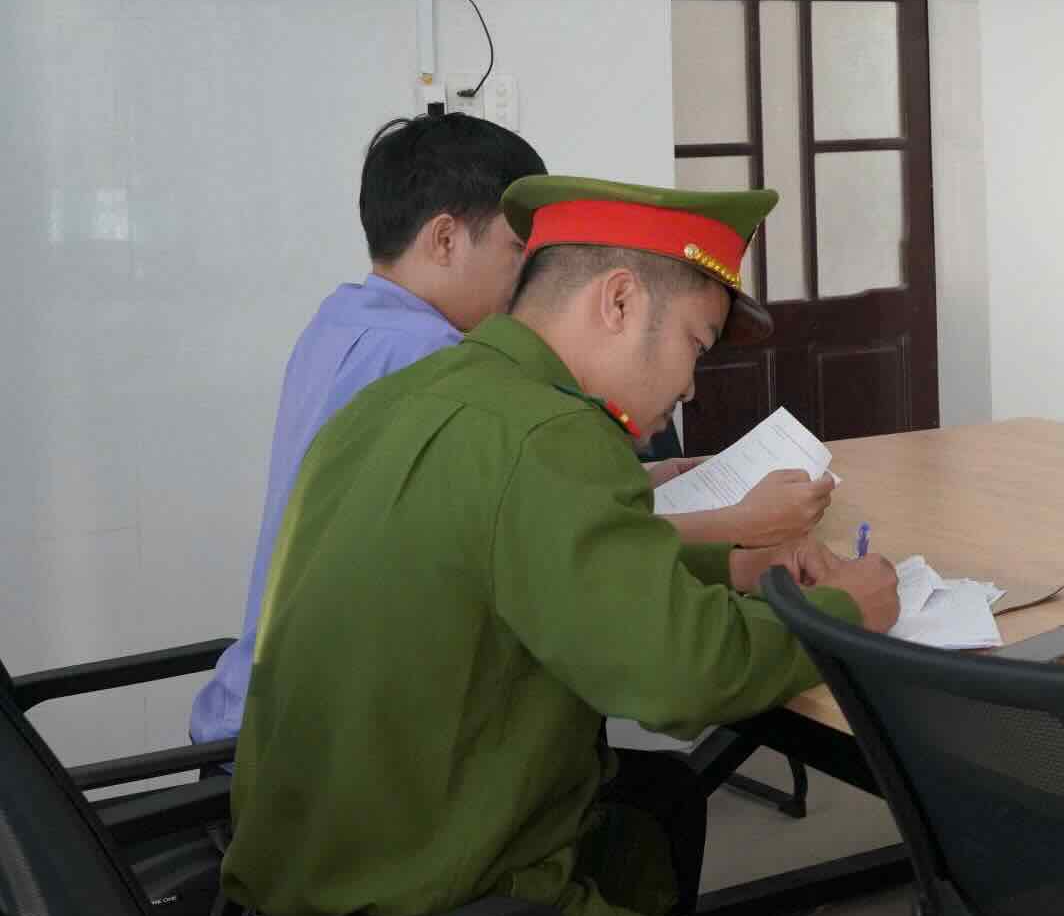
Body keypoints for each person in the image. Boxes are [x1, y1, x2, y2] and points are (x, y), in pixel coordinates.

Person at [222, 176, 901, 916]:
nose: (692, 385)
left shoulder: (406, 398)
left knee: (647, 830)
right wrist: (849, 613)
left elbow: (507, 559)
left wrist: (729, 568)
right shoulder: (552, 433)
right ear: (618, 301)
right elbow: (684, 677)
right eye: (695, 342)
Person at [190, 118, 830, 748]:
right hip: (327, 738)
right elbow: (674, 671)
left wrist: (657, 497)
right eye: (518, 253)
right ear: (444, 240)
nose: (531, 281)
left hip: (291, 711)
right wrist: (744, 530)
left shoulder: (346, 322)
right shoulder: (436, 366)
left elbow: (471, 515)